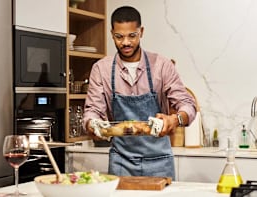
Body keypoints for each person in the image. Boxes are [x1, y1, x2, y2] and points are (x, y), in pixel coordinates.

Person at [83, 6, 196, 180]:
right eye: (119, 37)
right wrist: (92, 124)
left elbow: (188, 105)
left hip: (160, 163)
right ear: (112, 33)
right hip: (121, 162)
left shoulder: (162, 65)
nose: (126, 42)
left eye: (132, 35)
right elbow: (92, 110)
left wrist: (174, 119)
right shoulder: (101, 69)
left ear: (141, 32)